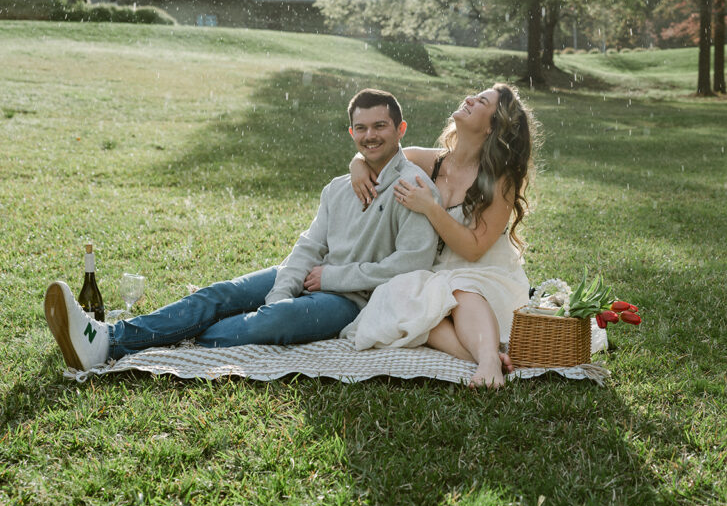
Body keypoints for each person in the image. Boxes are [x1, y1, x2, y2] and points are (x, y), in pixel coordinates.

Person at [44, 89, 440, 372]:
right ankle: (109, 337)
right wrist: (281, 290)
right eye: (361, 128)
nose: (370, 135)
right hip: (310, 275)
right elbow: (308, 245)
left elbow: (410, 264)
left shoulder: (415, 187)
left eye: (380, 126)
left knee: (272, 323)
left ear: (400, 128)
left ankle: (165, 331)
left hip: (350, 299)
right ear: (351, 133)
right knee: (223, 293)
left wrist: (331, 278)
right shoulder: (339, 187)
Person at [342, 82, 538, 389]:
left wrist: (431, 209)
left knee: (460, 291)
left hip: (484, 274)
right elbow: (379, 154)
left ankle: (488, 362)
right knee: (401, 301)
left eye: (482, 101)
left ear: (492, 127)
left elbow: (474, 250)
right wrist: (357, 165)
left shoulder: (500, 181)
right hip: (435, 271)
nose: (469, 98)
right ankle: (484, 358)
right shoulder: (430, 161)